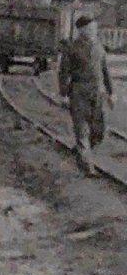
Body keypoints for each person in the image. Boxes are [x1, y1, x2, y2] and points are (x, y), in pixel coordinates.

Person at [58, 16, 115, 175]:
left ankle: (82, 151)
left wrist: (111, 93)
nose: (93, 31)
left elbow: (105, 71)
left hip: (97, 92)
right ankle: (86, 167)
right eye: (90, 28)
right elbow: (63, 73)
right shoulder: (71, 48)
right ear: (82, 30)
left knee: (99, 130)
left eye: (94, 28)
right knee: (81, 128)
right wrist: (64, 94)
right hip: (78, 91)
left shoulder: (99, 47)